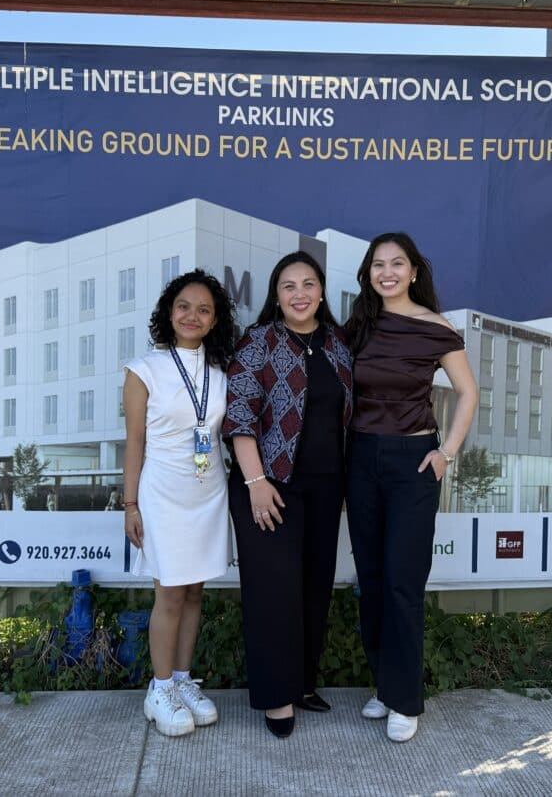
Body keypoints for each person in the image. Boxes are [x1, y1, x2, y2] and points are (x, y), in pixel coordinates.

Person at [343, 233, 478, 743]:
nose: (388, 272)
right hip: (360, 459)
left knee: (403, 582)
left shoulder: (437, 329)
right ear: (368, 274)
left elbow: (467, 394)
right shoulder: (357, 326)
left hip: (412, 464)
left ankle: (405, 700)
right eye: (378, 265)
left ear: (414, 271)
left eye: (397, 263)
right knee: (372, 580)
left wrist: (447, 454)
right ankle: (384, 685)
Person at [223, 251, 354, 739]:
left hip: (325, 487)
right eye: (288, 286)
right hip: (268, 485)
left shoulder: (340, 346)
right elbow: (237, 414)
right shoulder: (259, 342)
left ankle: (301, 683)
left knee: (314, 587)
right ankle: (277, 697)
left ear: (321, 290)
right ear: (276, 296)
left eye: (308, 284)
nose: (299, 294)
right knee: (274, 591)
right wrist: (255, 483)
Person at [123, 269, 236, 737]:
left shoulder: (220, 372)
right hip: (163, 493)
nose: (193, 315)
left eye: (204, 310)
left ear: (214, 321)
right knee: (169, 592)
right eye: (184, 306)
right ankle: (160, 689)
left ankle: (184, 681)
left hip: (209, 492)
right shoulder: (143, 369)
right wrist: (130, 503)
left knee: (194, 592)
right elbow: (133, 443)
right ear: (169, 313)